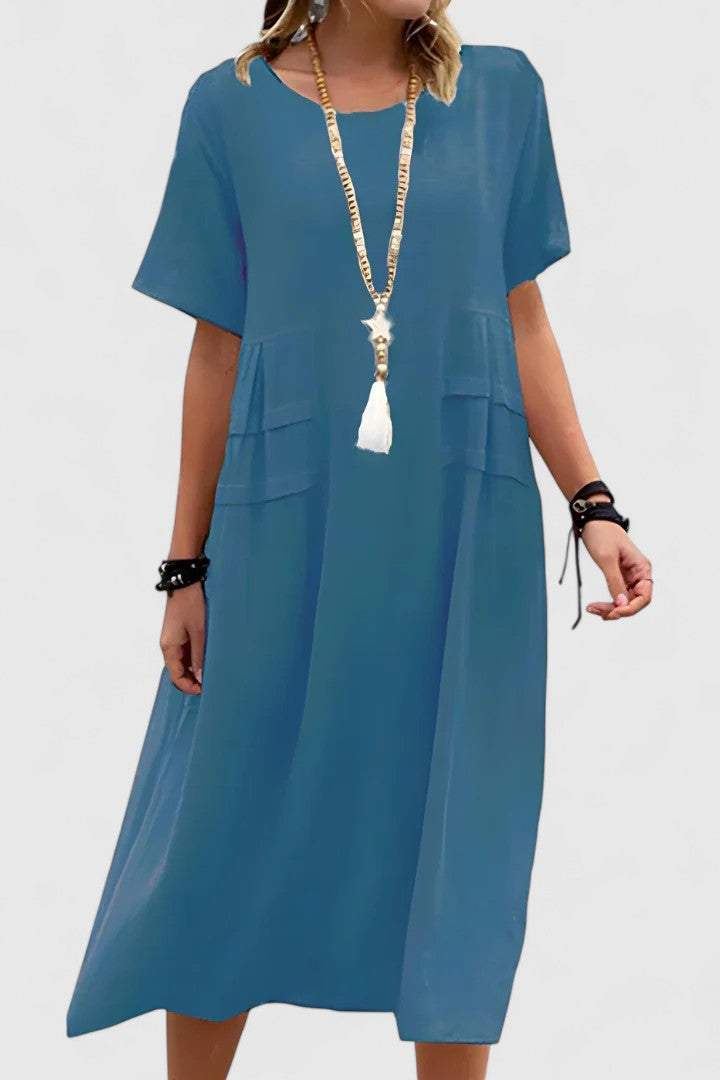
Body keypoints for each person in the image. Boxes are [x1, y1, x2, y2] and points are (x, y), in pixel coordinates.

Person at [66, 2, 653, 1078]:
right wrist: (185, 565)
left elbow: (521, 314)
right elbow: (216, 348)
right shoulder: (230, 107)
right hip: (285, 520)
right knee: (226, 825)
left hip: (462, 522)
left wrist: (594, 502)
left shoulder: (502, 93)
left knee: (458, 822)